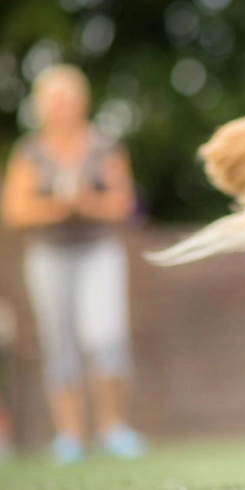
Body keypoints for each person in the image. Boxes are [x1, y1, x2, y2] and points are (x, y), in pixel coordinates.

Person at [0, 64, 145, 463]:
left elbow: (124, 204)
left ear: (82, 103)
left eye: (69, 100)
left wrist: (87, 205)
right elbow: (15, 211)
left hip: (99, 252)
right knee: (59, 343)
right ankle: (70, 436)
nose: (62, 108)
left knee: (107, 336)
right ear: (41, 107)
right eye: (55, 101)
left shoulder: (104, 147)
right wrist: (59, 209)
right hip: (48, 256)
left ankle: (114, 428)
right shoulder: (29, 152)